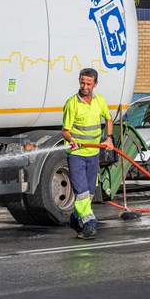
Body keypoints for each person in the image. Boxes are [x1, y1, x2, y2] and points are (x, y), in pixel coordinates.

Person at [62, 68, 114, 240]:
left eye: (88, 83)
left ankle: (75, 219)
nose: (84, 86)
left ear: (95, 84)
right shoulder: (72, 104)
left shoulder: (100, 101)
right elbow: (65, 131)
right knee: (81, 191)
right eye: (82, 82)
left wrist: (108, 138)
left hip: (93, 154)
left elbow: (108, 118)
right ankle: (90, 224)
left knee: (90, 192)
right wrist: (71, 140)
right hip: (76, 154)